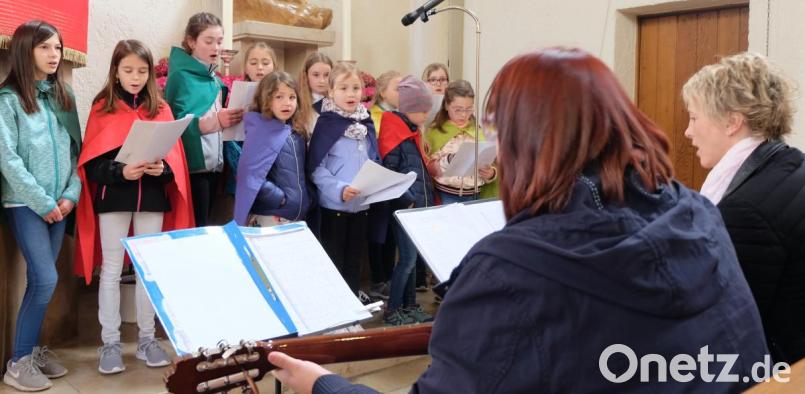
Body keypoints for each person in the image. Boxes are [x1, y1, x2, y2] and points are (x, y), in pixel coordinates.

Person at [268, 47, 769, 393]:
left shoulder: (512, 269)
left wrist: (323, 383)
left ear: (526, 141)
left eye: (499, 129)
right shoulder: (699, 213)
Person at [74, 39, 194, 375]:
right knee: (112, 270)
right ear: (115, 72)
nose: (135, 77)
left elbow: (176, 163)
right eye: (128, 70)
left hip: (152, 197)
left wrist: (163, 169)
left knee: (148, 270)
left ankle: (146, 339)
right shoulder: (102, 107)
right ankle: (109, 343)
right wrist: (120, 171)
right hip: (114, 198)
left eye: (142, 71)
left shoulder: (161, 107)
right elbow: (91, 165)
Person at [682, 52, 805, 363]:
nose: (688, 132)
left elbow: (727, 328)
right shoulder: (790, 166)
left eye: (694, 118)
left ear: (732, 122)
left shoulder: (744, 210)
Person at [0, 20, 81, 391]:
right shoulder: (9, 100)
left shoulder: (63, 97)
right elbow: (8, 158)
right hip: (24, 204)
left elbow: (77, 152)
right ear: (25, 50)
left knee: (44, 282)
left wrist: (70, 195)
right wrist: (44, 201)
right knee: (45, 278)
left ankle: (31, 350)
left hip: (60, 205)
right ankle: (18, 364)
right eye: (45, 47)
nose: (54, 55)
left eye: (58, 48)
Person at [164, 12, 243, 226]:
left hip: (214, 166)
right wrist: (217, 121)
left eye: (219, 41)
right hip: (193, 168)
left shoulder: (213, 78)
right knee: (194, 228)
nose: (216, 48)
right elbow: (176, 123)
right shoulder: (181, 76)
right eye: (208, 41)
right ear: (191, 42)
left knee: (207, 224)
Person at [307, 62, 379, 297]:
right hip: (335, 207)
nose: (351, 94)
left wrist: (378, 181)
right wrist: (339, 189)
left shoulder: (365, 122)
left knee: (355, 260)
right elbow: (317, 168)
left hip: (362, 206)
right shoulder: (326, 124)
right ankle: (336, 310)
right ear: (331, 92)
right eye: (343, 88)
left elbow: (372, 158)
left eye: (356, 88)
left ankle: (353, 303)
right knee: (334, 260)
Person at [377, 76, 436, 325]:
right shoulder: (395, 133)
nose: (425, 116)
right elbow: (391, 175)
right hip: (405, 208)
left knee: (412, 261)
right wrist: (409, 199)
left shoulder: (411, 131)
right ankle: (393, 310)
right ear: (409, 108)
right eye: (422, 111)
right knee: (407, 261)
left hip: (417, 208)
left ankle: (410, 306)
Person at [234, 71, 313, 227]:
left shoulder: (296, 132)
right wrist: (279, 198)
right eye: (279, 97)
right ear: (266, 99)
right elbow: (249, 175)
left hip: (296, 215)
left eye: (292, 97)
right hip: (270, 215)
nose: (287, 103)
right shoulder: (260, 132)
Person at [425, 80, 496, 203]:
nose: (463, 115)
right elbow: (427, 166)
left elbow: (493, 163)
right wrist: (448, 161)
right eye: (458, 109)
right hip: (447, 195)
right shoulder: (435, 131)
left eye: (469, 109)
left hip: (475, 194)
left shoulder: (479, 131)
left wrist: (491, 173)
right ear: (447, 105)